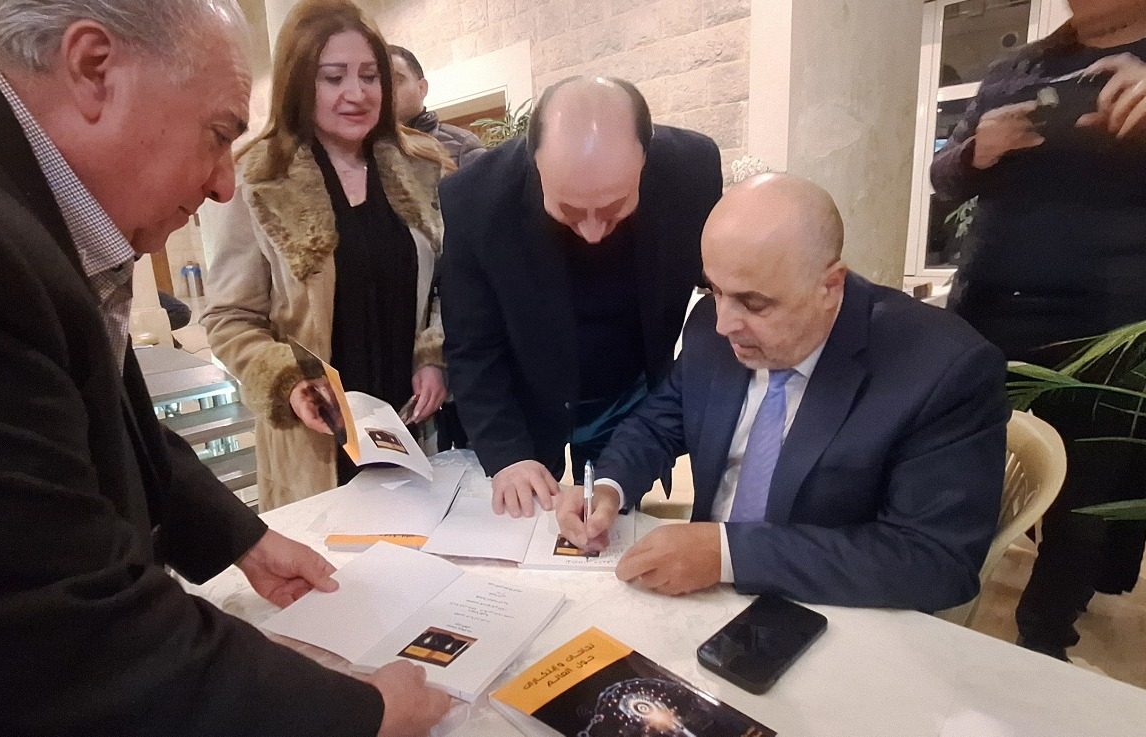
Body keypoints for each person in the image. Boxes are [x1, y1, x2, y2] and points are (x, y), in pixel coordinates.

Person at [0, 1, 448, 735]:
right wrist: (362, 712)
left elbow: (100, 408)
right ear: (93, 69)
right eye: (218, 134)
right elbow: (62, 624)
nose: (223, 185)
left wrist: (238, 536)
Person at [557, 174, 1008, 612]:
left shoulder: (942, 369)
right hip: (696, 599)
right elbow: (658, 424)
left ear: (830, 286)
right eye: (714, 290)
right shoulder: (711, 328)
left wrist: (728, 554)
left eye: (754, 303)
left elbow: (935, 560)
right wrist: (610, 487)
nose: (723, 323)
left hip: (834, 612)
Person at [930, 0, 1146, 659]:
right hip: (986, 310)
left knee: (1084, 496)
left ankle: (1043, 642)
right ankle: (936, 601)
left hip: (1109, 324)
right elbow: (943, 178)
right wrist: (977, 150)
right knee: (952, 464)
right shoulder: (1021, 67)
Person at [202, 0, 450, 510]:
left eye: (370, 76)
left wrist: (435, 358)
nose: (356, 94)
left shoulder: (422, 168)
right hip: (314, 447)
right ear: (299, 82)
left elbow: (447, 287)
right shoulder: (259, 179)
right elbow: (230, 318)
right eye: (333, 78)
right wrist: (287, 381)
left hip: (409, 430)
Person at [440, 76, 722, 517]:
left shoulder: (692, 170)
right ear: (534, 163)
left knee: (612, 517)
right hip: (527, 396)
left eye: (613, 209)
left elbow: (720, 282)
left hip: (627, 392)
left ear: (645, 159)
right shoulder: (475, 197)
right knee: (528, 523)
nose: (592, 233)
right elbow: (472, 345)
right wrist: (508, 455)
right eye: (569, 211)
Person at [389, 44, 486, 169]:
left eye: (397, 81)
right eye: (381, 83)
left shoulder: (462, 145)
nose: (388, 90)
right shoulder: (370, 151)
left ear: (422, 88)